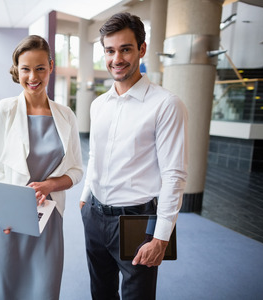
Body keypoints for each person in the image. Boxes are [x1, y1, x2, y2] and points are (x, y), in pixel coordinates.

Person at [80, 12, 188, 300]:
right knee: (100, 293)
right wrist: (84, 197)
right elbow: (95, 155)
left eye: (125, 49)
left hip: (136, 221)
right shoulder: (99, 104)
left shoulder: (166, 104)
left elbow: (174, 175)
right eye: (110, 50)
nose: (117, 58)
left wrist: (161, 236)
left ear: (141, 49)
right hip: (94, 214)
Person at [0, 35, 83, 300]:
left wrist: (50, 184)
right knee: (6, 288)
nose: (33, 76)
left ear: (51, 66)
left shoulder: (66, 115)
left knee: (43, 290)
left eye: (40, 68)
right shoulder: (3, 110)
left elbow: (76, 171)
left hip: (48, 220)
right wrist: (3, 210)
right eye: (25, 68)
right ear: (17, 69)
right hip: (10, 216)